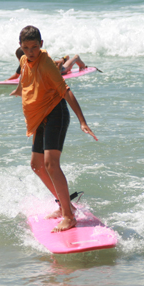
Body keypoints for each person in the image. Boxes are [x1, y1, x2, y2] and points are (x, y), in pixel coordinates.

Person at [10, 26, 98, 232]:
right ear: (21, 47)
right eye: (25, 48)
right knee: (36, 165)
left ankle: (69, 215)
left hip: (56, 114)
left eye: (34, 47)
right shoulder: (24, 60)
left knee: (50, 164)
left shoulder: (47, 64)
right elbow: (25, 77)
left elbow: (66, 91)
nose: (30, 52)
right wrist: (18, 90)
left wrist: (82, 121)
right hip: (40, 116)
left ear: (41, 44)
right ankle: (64, 204)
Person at [7, 48, 87, 81]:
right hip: (51, 66)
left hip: (56, 69)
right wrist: (6, 81)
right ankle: (63, 59)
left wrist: (60, 63)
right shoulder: (23, 63)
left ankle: (75, 58)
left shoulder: (40, 60)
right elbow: (16, 75)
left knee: (66, 68)